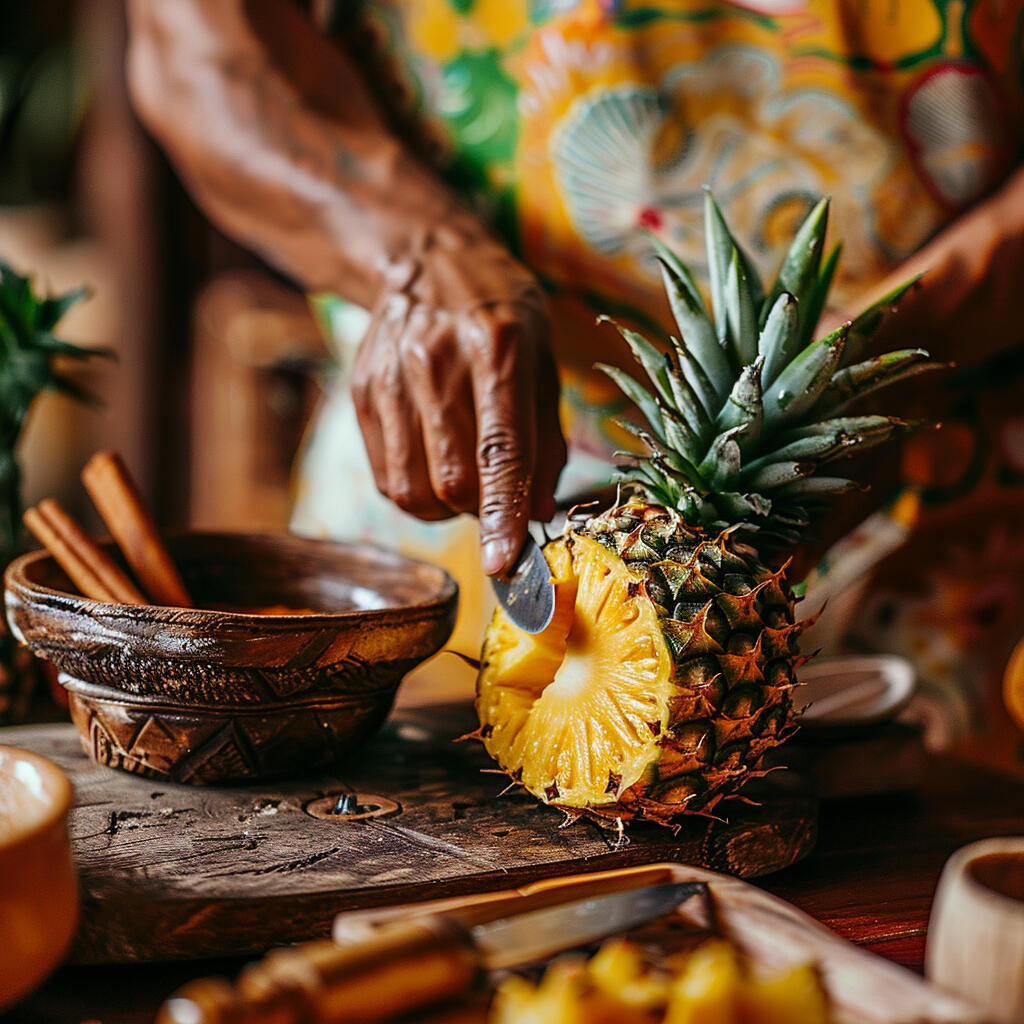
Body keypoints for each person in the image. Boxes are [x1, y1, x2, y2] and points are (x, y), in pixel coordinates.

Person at [125, 0, 1024, 740]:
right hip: (449, 471)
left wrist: (919, 329)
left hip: (949, 526)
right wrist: (412, 252)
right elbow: (196, 41)